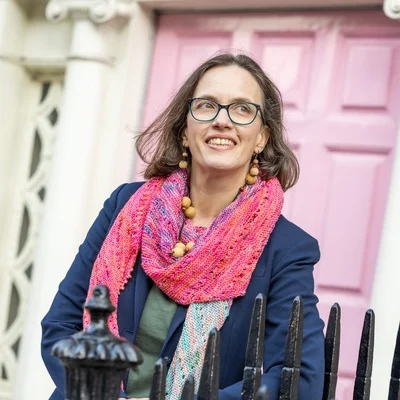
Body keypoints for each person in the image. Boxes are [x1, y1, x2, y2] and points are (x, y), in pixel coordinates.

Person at [41, 52, 325, 400]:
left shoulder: (286, 248)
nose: (222, 121)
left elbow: (299, 377)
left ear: (262, 138)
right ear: (185, 132)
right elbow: (61, 326)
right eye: (207, 106)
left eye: (242, 109)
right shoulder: (125, 206)